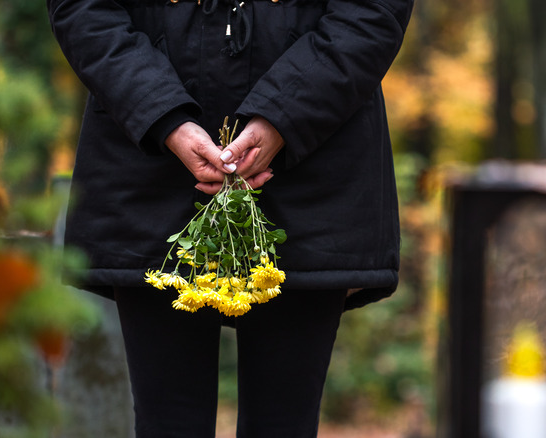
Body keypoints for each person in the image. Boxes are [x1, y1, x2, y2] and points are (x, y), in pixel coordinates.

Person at [46, 0, 414, 436]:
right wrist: (164, 117)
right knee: (168, 423)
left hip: (315, 158)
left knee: (283, 423)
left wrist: (284, 117)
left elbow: (372, 11)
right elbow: (85, 9)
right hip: (149, 164)